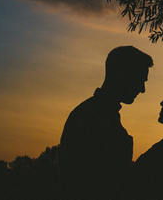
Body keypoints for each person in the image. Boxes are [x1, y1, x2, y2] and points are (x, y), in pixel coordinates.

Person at [59, 46, 153, 200]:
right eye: (140, 79)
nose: (142, 89)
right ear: (122, 75)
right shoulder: (91, 117)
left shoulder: (94, 114)